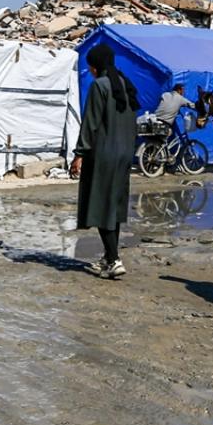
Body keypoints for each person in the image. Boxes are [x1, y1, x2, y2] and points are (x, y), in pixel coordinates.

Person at [70, 44, 138, 279]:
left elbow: (91, 122)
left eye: (90, 66)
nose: (90, 70)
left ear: (95, 66)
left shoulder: (99, 86)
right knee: (113, 208)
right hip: (124, 155)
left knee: (100, 206)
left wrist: (79, 154)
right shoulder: (126, 85)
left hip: (103, 155)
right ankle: (109, 258)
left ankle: (115, 260)